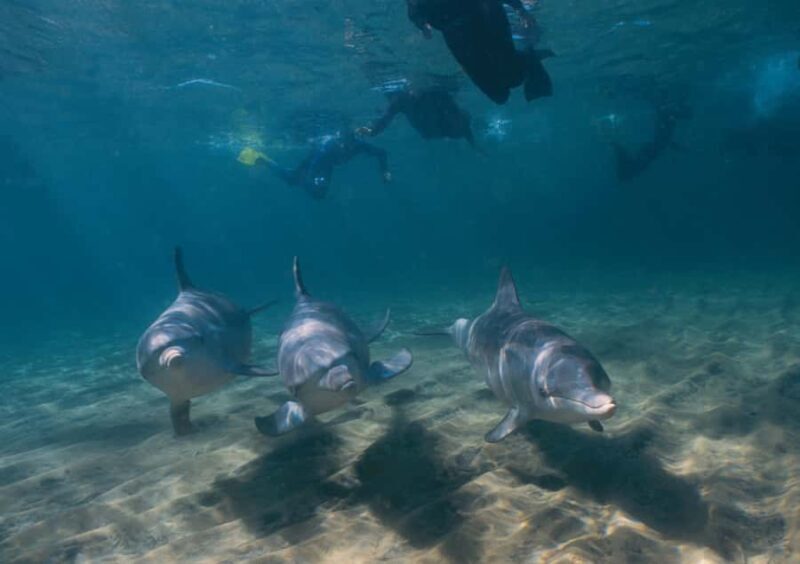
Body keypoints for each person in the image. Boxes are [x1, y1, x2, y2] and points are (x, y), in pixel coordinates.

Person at [406, 0, 554, 104]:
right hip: (455, 31)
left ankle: (529, 58)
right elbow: (413, 8)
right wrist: (422, 25)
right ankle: (528, 58)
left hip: (485, 15)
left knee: (512, 77)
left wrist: (520, 9)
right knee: (499, 95)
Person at [238, 130, 391, 199]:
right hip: (316, 162)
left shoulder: (359, 145)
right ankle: (263, 160)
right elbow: (314, 164)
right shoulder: (327, 147)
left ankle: (266, 161)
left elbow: (381, 153)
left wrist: (385, 171)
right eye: (341, 144)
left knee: (317, 193)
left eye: (346, 145)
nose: (343, 147)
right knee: (293, 181)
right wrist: (308, 180)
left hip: (327, 165)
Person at [359, 84, 478, 148]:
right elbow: (386, 118)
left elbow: (460, 121)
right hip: (433, 128)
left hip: (436, 127)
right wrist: (372, 131)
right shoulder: (402, 100)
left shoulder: (438, 95)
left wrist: (373, 131)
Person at [612, 100, 692, 182]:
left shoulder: (639, 164)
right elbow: (664, 141)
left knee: (665, 122)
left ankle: (670, 109)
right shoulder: (638, 164)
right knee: (666, 121)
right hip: (653, 148)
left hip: (653, 148)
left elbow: (664, 141)